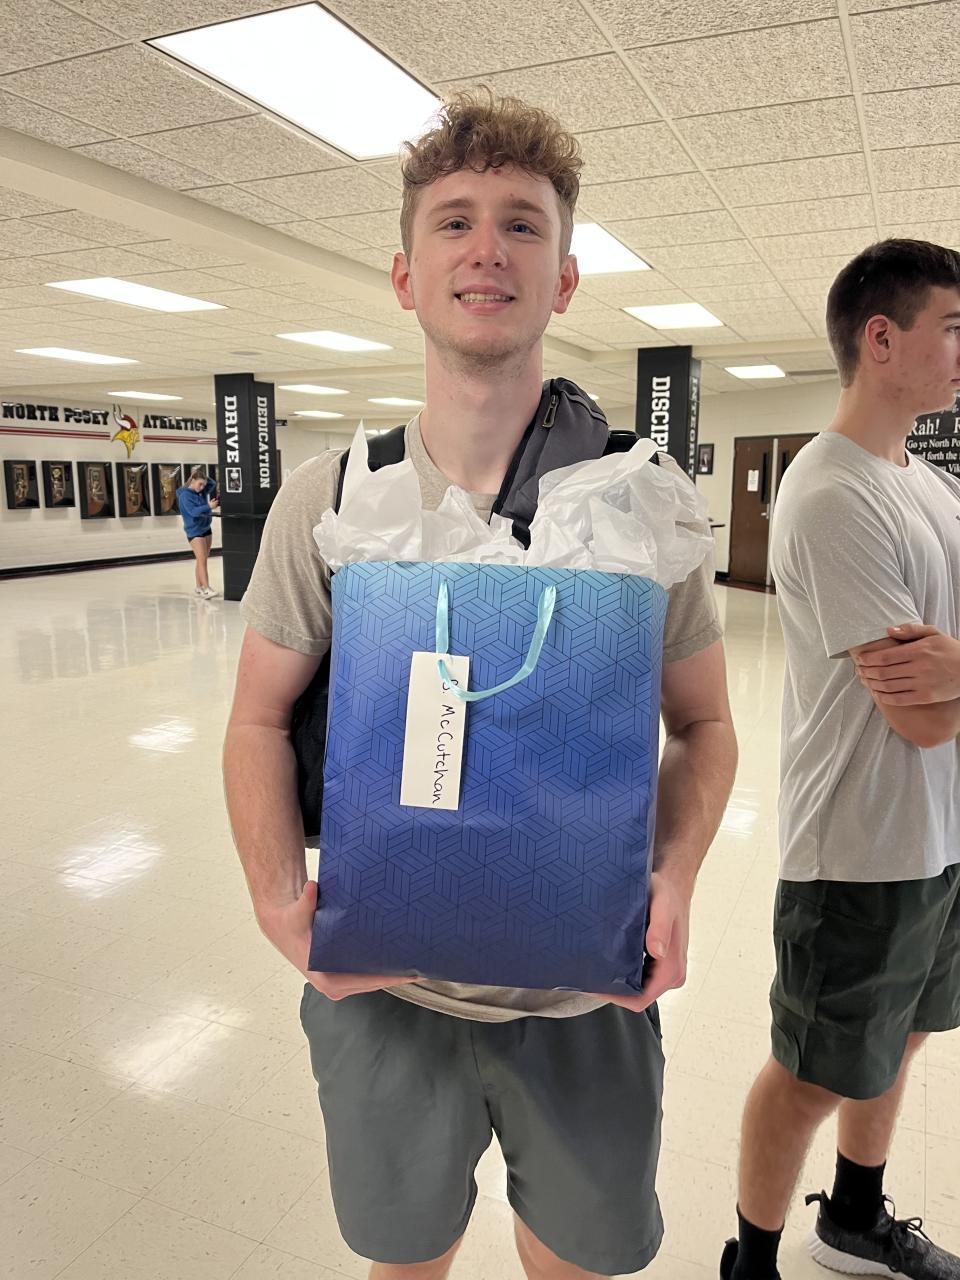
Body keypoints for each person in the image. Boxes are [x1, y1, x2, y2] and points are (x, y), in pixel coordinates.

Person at [224, 91, 737, 1280]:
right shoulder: (332, 498)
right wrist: (276, 899)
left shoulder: (639, 499)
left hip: (586, 998)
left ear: (566, 279)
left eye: (523, 223)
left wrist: (674, 875)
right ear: (407, 275)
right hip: (386, 995)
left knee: (579, 1260)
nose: (487, 248)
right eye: (454, 221)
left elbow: (706, 722)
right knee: (406, 1257)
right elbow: (256, 716)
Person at [722, 239, 960, 1280]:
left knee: (904, 1034)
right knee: (814, 1072)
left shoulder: (929, 484)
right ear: (882, 339)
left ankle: (855, 1216)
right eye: (953, 328)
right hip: (858, 850)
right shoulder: (831, 494)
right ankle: (751, 1261)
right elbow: (921, 718)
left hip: (939, 834)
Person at [177, 465, 219, 598]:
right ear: (192, 480)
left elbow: (212, 483)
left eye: (203, 485)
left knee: (202, 559)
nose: (202, 487)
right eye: (200, 484)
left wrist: (202, 474)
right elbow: (193, 512)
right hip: (194, 531)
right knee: (202, 560)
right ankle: (206, 588)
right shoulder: (185, 495)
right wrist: (208, 506)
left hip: (206, 528)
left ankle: (198, 587)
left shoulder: (200, 492)